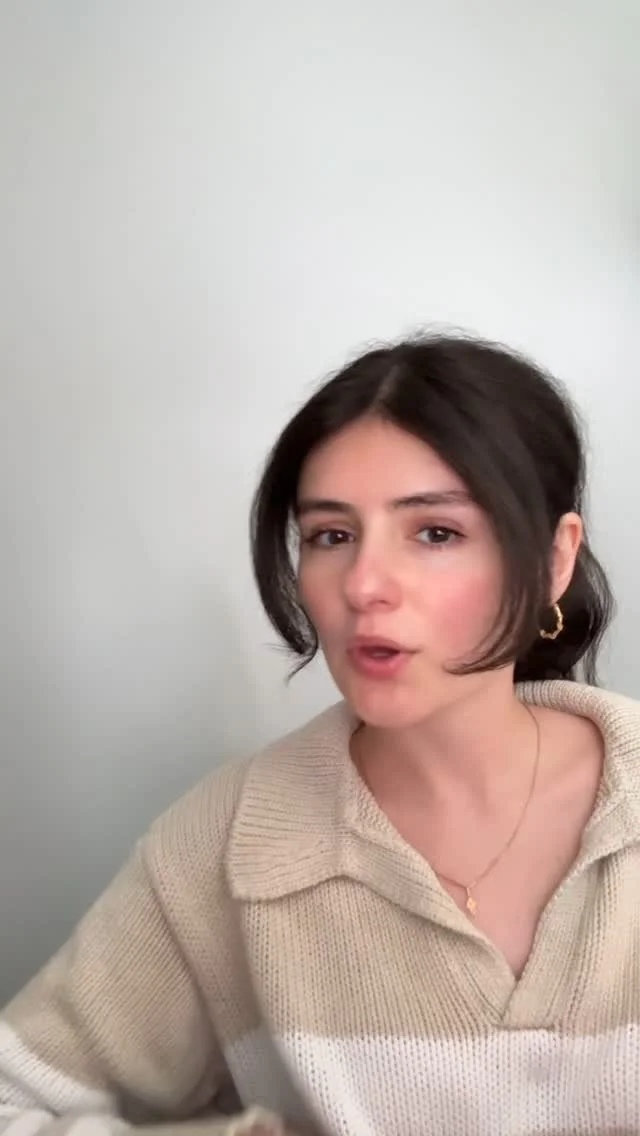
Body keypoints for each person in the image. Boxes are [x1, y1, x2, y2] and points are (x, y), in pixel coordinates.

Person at [3, 330, 639, 1136]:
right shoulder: (222, 846)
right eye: (331, 536)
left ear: (554, 560)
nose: (364, 585)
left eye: (436, 533)